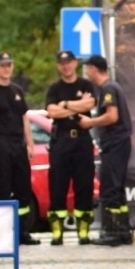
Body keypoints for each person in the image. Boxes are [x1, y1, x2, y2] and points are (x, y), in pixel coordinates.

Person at [0, 52, 39, 243]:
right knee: (1, 189)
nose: (6, 68)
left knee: (23, 189)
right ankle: (2, 234)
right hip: (0, 143)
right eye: (2, 65)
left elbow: (24, 119)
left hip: (18, 144)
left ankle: (22, 232)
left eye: (9, 65)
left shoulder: (17, 90)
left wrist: (30, 144)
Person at [78, 56, 135, 246]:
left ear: (94, 69)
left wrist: (90, 122)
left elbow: (112, 116)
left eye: (87, 68)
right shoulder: (111, 87)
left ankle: (111, 232)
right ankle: (123, 231)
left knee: (110, 188)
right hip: (119, 143)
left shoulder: (108, 89)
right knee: (117, 189)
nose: (86, 72)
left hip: (115, 144)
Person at [44, 50, 98, 245]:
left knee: (84, 185)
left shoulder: (86, 85)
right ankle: (57, 232)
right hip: (61, 141)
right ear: (58, 66)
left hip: (82, 140)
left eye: (68, 62)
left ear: (75, 63)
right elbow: (52, 112)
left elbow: (89, 104)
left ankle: (83, 232)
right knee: (58, 185)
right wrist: (76, 106)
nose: (65, 66)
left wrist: (65, 105)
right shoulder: (54, 88)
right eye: (62, 63)